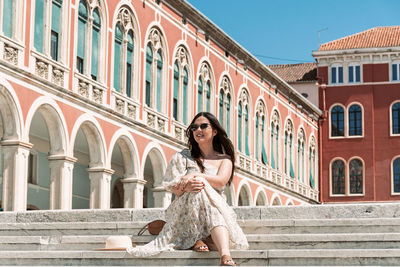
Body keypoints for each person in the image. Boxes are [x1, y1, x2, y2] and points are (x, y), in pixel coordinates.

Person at [127, 112, 248, 266]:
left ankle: (205, 244)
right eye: (194, 127)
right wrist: (187, 187)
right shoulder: (182, 157)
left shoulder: (225, 160)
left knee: (200, 185)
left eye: (204, 126)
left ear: (215, 131)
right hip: (185, 208)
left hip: (214, 207)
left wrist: (196, 175)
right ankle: (224, 255)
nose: (198, 130)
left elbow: (220, 182)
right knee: (196, 187)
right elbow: (174, 190)